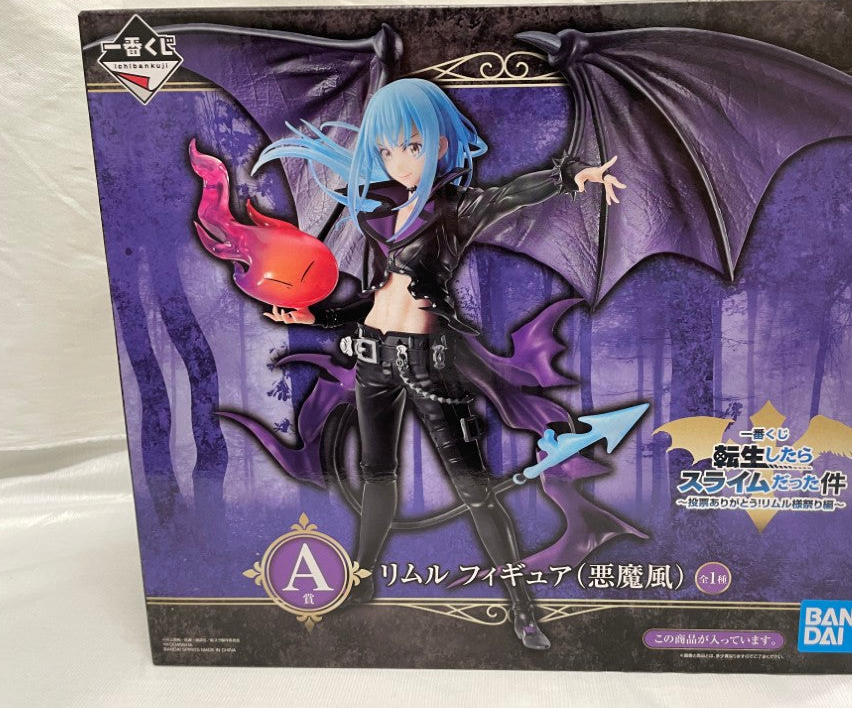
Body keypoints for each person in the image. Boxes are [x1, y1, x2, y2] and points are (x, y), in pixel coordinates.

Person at [256, 78, 624, 649]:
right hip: (373, 358)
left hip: (430, 364)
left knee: (474, 490)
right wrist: (317, 317)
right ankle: (362, 581)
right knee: (377, 475)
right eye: (387, 150)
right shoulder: (381, 212)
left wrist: (569, 176)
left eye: (412, 146)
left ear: (441, 144)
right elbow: (376, 298)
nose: (400, 162)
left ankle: (522, 606)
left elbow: (510, 195)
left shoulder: (455, 208)